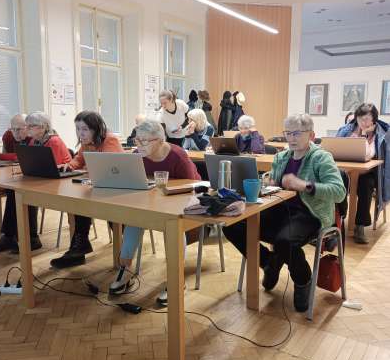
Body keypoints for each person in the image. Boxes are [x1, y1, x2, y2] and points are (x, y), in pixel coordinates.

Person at [223, 113, 346, 312]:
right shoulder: (281, 157)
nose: (291, 138)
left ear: (311, 135)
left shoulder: (321, 157)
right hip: (280, 208)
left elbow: (339, 192)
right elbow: (273, 181)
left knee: (284, 241)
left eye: (297, 133)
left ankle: (303, 279)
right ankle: (269, 262)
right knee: (232, 225)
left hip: (310, 213)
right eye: (287, 133)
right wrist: (269, 182)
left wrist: (305, 185)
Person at [109, 119, 200, 294]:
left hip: (184, 201)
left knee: (172, 223)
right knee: (134, 219)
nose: (139, 145)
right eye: (137, 140)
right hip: (152, 200)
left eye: (144, 141)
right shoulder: (137, 155)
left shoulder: (178, 156)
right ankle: (126, 270)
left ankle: (176, 278)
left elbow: (192, 186)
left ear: (160, 140)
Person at [0, 112, 71, 254]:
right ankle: (10, 236)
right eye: (28, 126)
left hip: (60, 185)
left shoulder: (54, 141)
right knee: (14, 190)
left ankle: (30, 238)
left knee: (23, 192)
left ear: (43, 127)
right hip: (42, 180)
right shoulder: (34, 141)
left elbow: (52, 168)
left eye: (31, 126)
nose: (28, 129)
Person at [50, 111, 123, 268]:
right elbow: (79, 159)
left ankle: (123, 239)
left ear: (96, 129)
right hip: (97, 188)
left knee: (89, 204)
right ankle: (79, 246)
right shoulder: (86, 143)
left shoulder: (109, 140)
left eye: (84, 129)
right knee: (80, 202)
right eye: (77, 129)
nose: (80, 133)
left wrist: (88, 171)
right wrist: (69, 165)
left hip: (116, 191)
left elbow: (109, 167)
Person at [337, 103, 390, 244]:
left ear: (374, 119)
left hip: (370, 172)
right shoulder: (347, 130)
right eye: (360, 119)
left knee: (366, 184)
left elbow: (372, 155)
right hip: (347, 171)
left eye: (366, 119)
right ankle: (338, 219)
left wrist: (365, 135)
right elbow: (337, 148)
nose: (362, 122)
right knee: (337, 180)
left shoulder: (382, 133)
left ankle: (359, 226)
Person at [0, 114, 30, 234]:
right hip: (11, 173)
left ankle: (11, 234)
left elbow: (26, 157)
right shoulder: (8, 136)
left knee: (13, 190)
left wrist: (10, 157)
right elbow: (6, 157)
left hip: (26, 178)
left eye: (19, 129)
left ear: (28, 127)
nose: (15, 133)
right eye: (12, 129)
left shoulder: (33, 137)